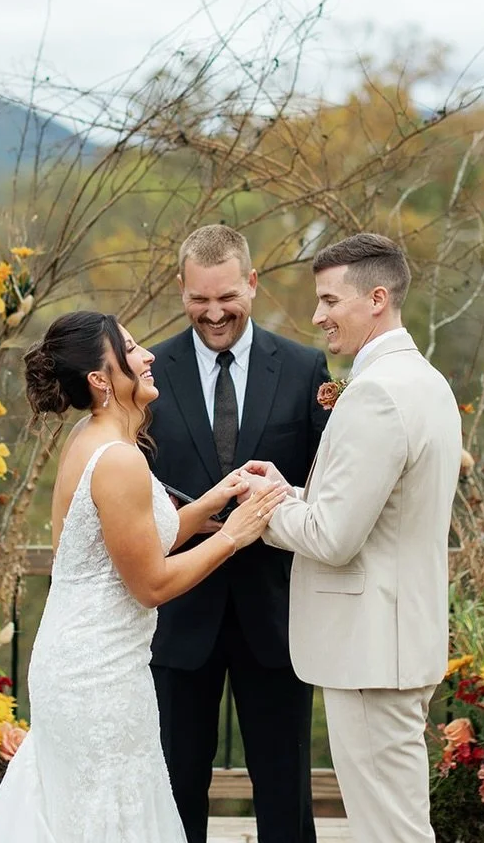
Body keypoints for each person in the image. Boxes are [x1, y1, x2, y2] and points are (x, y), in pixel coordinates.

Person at [0, 311, 288, 843]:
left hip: (89, 660)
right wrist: (233, 535)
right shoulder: (117, 459)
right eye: (133, 348)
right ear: (100, 378)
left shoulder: (93, 436)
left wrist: (214, 498)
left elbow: (134, 543)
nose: (148, 356)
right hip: (97, 674)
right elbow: (151, 584)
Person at [243, 232, 461, 843]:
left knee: (389, 832)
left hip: (372, 652)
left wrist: (261, 508)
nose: (318, 316)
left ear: (377, 299)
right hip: (395, 642)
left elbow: (334, 537)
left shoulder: (376, 395)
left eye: (330, 300)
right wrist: (290, 491)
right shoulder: (425, 381)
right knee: (397, 826)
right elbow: (376, 513)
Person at [146, 225, 329, 843]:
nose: (214, 312)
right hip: (178, 617)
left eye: (227, 296)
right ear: (181, 289)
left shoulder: (304, 368)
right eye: (199, 299)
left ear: (252, 283)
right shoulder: (150, 373)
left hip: (275, 615)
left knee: (285, 791)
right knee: (174, 791)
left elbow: (325, 482)